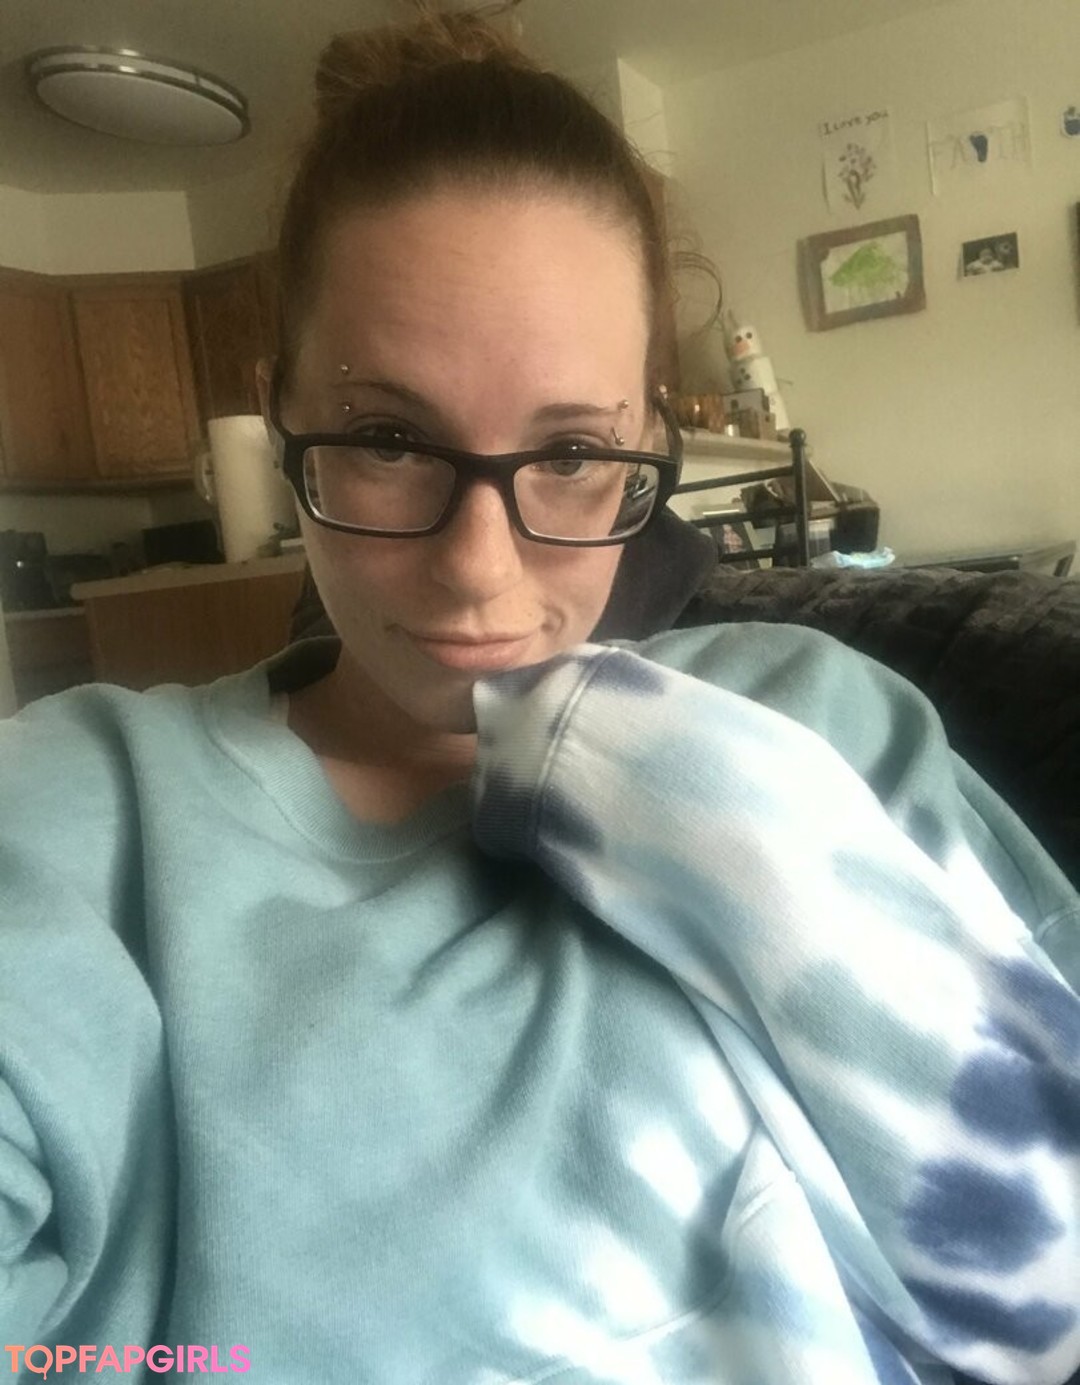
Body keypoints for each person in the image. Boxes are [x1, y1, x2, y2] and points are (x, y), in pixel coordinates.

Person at [2, 6, 1078, 1384]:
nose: (477, 569)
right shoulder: (74, 819)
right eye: (389, 440)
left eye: (570, 454)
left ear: (649, 440)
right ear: (281, 421)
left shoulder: (818, 721)